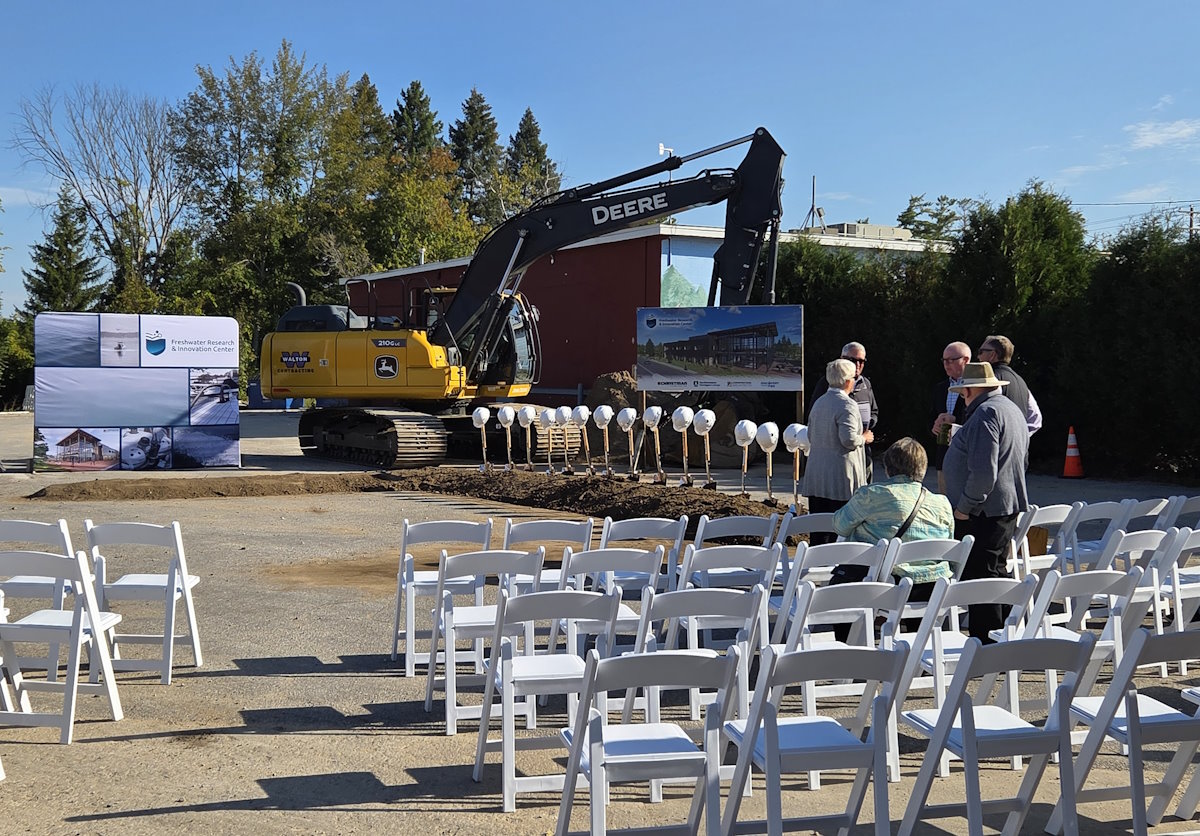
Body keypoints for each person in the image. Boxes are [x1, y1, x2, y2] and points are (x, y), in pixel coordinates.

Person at [942, 361, 1030, 643]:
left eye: (964, 390)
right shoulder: (1009, 409)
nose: (962, 396)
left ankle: (986, 644)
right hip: (1003, 504)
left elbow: (983, 470)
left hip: (984, 509)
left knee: (982, 577)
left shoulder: (986, 413)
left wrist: (964, 507)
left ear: (972, 389)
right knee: (996, 570)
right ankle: (1003, 636)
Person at [833, 437, 954, 545]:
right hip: (936, 569)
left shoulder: (870, 496)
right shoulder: (943, 504)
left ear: (887, 468)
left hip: (885, 569)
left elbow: (840, 527)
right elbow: (949, 544)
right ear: (924, 468)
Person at [804, 358, 873, 545]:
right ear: (848, 381)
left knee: (818, 532)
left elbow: (810, 435)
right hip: (840, 479)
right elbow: (849, 440)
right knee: (839, 532)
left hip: (817, 477)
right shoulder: (847, 404)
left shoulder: (819, 402)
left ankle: (813, 567)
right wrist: (864, 438)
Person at [809, 341, 878, 480]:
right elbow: (815, 417)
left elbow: (874, 410)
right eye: (853, 360)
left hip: (863, 449)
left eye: (861, 361)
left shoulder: (866, 384)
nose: (857, 365)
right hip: (837, 454)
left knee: (864, 493)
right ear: (842, 359)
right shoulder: (827, 383)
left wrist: (868, 425)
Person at [977, 335, 1042, 436]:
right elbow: (1035, 419)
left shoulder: (988, 379)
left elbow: (980, 416)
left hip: (993, 446)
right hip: (1018, 448)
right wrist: (1019, 438)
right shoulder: (1021, 382)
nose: (978, 356)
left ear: (993, 354)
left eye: (981, 352)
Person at [931, 341, 971, 494]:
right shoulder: (940, 388)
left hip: (966, 458)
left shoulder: (975, 387)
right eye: (944, 360)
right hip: (944, 456)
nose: (946, 364)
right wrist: (934, 426)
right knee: (945, 503)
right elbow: (932, 416)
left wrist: (955, 422)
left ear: (965, 360)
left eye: (951, 360)